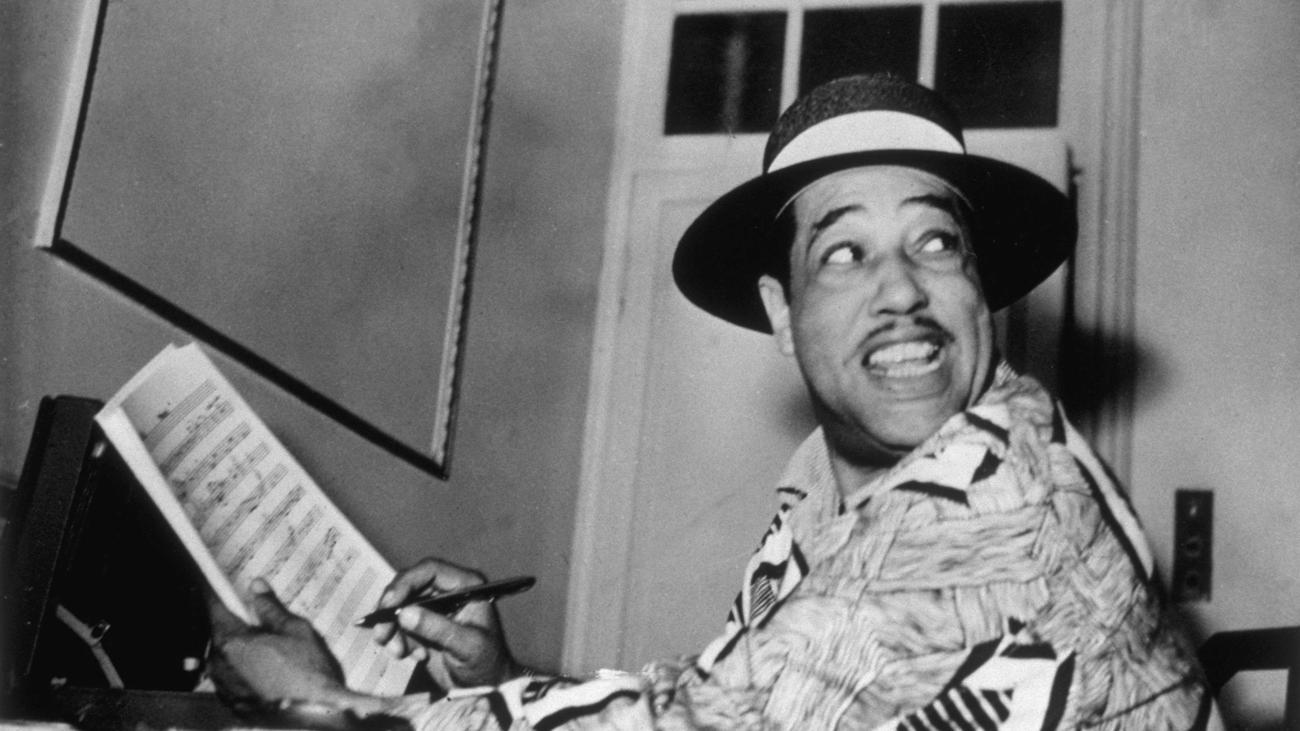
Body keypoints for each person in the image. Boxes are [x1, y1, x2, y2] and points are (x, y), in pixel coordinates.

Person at [207, 74, 1216, 729]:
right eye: (844, 252)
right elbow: (729, 697)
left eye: (936, 241)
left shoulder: (1000, 504)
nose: (903, 289)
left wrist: (320, 705)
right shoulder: (823, 491)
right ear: (783, 312)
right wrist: (495, 675)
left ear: (979, 286)